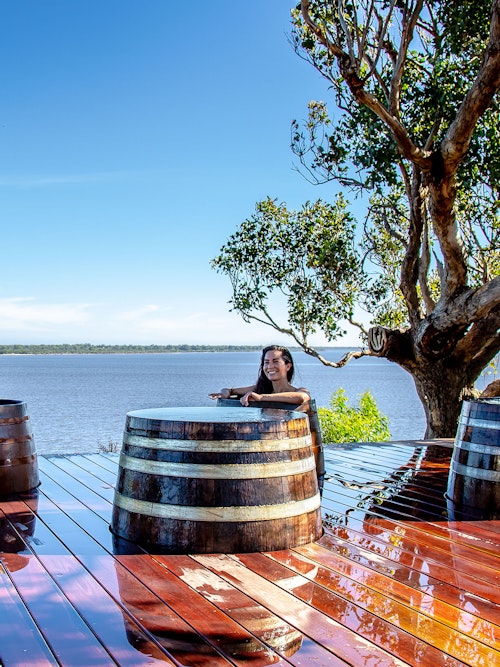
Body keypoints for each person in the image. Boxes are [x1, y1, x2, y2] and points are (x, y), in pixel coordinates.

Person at [209, 345, 310, 407]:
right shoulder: (260, 388)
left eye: (275, 361)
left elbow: (302, 397)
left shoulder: (298, 391)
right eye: (266, 362)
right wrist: (225, 393)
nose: (270, 366)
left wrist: (261, 398)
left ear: (288, 366)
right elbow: (229, 390)